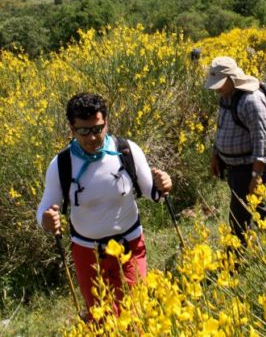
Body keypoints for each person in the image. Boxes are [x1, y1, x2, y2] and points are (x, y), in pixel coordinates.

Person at [37, 92, 172, 316]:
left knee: (135, 314)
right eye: (83, 131)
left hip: (129, 246)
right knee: (101, 318)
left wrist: (164, 183)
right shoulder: (61, 164)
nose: (92, 138)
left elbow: (153, 193)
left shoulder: (127, 151)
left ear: (106, 124)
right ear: (72, 129)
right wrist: (46, 220)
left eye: (97, 129)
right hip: (87, 253)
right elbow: (44, 209)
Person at [205, 56, 266, 244]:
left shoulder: (251, 100)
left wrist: (256, 176)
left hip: (248, 168)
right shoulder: (226, 97)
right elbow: (221, 127)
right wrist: (216, 155)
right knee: (259, 206)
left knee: (238, 218)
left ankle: (233, 264)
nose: (217, 88)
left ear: (232, 78)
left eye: (220, 83)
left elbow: (262, 140)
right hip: (234, 169)